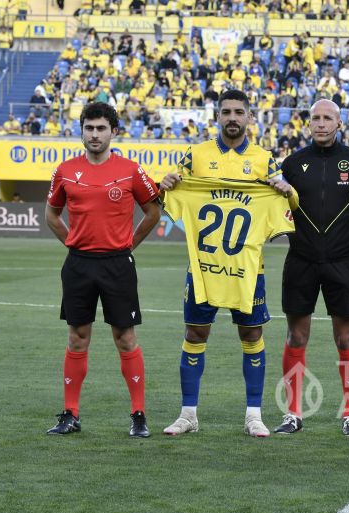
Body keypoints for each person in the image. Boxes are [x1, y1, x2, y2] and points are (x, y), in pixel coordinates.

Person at [159, 89, 298, 438]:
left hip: (248, 268)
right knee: (194, 332)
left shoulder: (265, 159)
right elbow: (170, 195)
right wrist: (167, 185)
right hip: (203, 266)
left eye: (239, 112)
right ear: (217, 116)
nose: (232, 117)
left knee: (251, 334)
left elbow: (291, 206)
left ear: (250, 117)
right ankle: (188, 413)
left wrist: (287, 190)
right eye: (226, 112)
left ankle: (254, 414)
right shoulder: (196, 156)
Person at [45, 102, 161, 437]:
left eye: (101, 128)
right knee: (77, 337)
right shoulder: (65, 170)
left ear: (113, 131)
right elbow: (52, 215)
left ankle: (138, 415)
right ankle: (71, 414)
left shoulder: (130, 170)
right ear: (81, 131)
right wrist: (73, 244)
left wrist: (128, 245)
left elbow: (152, 213)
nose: (94, 134)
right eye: (89, 128)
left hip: (117, 264)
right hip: (79, 264)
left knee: (125, 337)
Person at [274, 99, 349, 437]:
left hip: (342, 264)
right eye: (315, 118)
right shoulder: (292, 164)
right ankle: (293, 413)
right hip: (300, 262)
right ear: (308, 123)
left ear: (339, 123)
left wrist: (348, 243)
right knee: (296, 335)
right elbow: (276, 211)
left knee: (345, 337)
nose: (321, 123)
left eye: (327, 118)